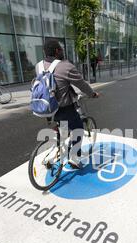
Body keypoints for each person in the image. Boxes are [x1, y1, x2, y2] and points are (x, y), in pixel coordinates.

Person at [37, 39, 99, 169]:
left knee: (63, 131)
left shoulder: (39, 66)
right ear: (57, 51)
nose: (62, 51)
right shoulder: (65, 66)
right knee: (78, 129)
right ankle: (74, 158)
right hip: (63, 108)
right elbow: (81, 84)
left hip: (45, 108)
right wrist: (92, 94)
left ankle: (54, 154)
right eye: (61, 49)